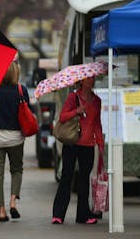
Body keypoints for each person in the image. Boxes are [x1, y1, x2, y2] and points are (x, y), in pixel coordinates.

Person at [51, 76, 104, 225]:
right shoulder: (73, 97)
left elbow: (97, 124)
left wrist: (100, 143)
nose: (92, 80)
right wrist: (77, 111)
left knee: (83, 180)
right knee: (67, 177)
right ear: (82, 81)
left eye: (94, 78)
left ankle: (83, 215)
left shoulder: (97, 101)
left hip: (88, 144)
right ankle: (58, 214)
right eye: (89, 78)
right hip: (72, 142)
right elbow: (62, 117)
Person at [0, 61, 28, 222]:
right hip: (16, 138)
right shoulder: (21, 91)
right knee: (16, 169)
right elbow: (27, 113)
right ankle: (13, 202)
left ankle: (2, 211)